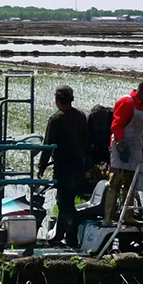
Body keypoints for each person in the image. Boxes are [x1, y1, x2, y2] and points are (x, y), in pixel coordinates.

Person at [38, 85, 88, 247]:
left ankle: (72, 237)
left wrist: (41, 166)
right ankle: (59, 234)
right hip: (79, 166)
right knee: (67, 200)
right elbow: (86, 141)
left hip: (64, 167)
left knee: (64, 203)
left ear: (57, 100)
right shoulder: (80, 116)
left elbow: (48, 145)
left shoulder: (56, 119)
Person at [103, 78, 143, 226]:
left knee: (130, 184)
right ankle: (108, 218)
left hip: (135, 149)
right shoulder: (127, 102)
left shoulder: (141, 105)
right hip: (122, 148)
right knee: (115, 183)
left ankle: (127, 216)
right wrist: (120, 144)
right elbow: (117, 125)